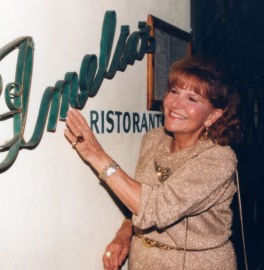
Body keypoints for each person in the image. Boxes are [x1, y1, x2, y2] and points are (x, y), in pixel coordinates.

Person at [64, 55, 242, 270]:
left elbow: (156, 208)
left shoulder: (219, 158)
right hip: (144, 261)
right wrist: (125, 233)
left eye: (192, 99)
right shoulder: (154, 138)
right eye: (174, 91)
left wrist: (96, 155)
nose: (176, 104)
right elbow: (139, 199)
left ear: (213, 116)